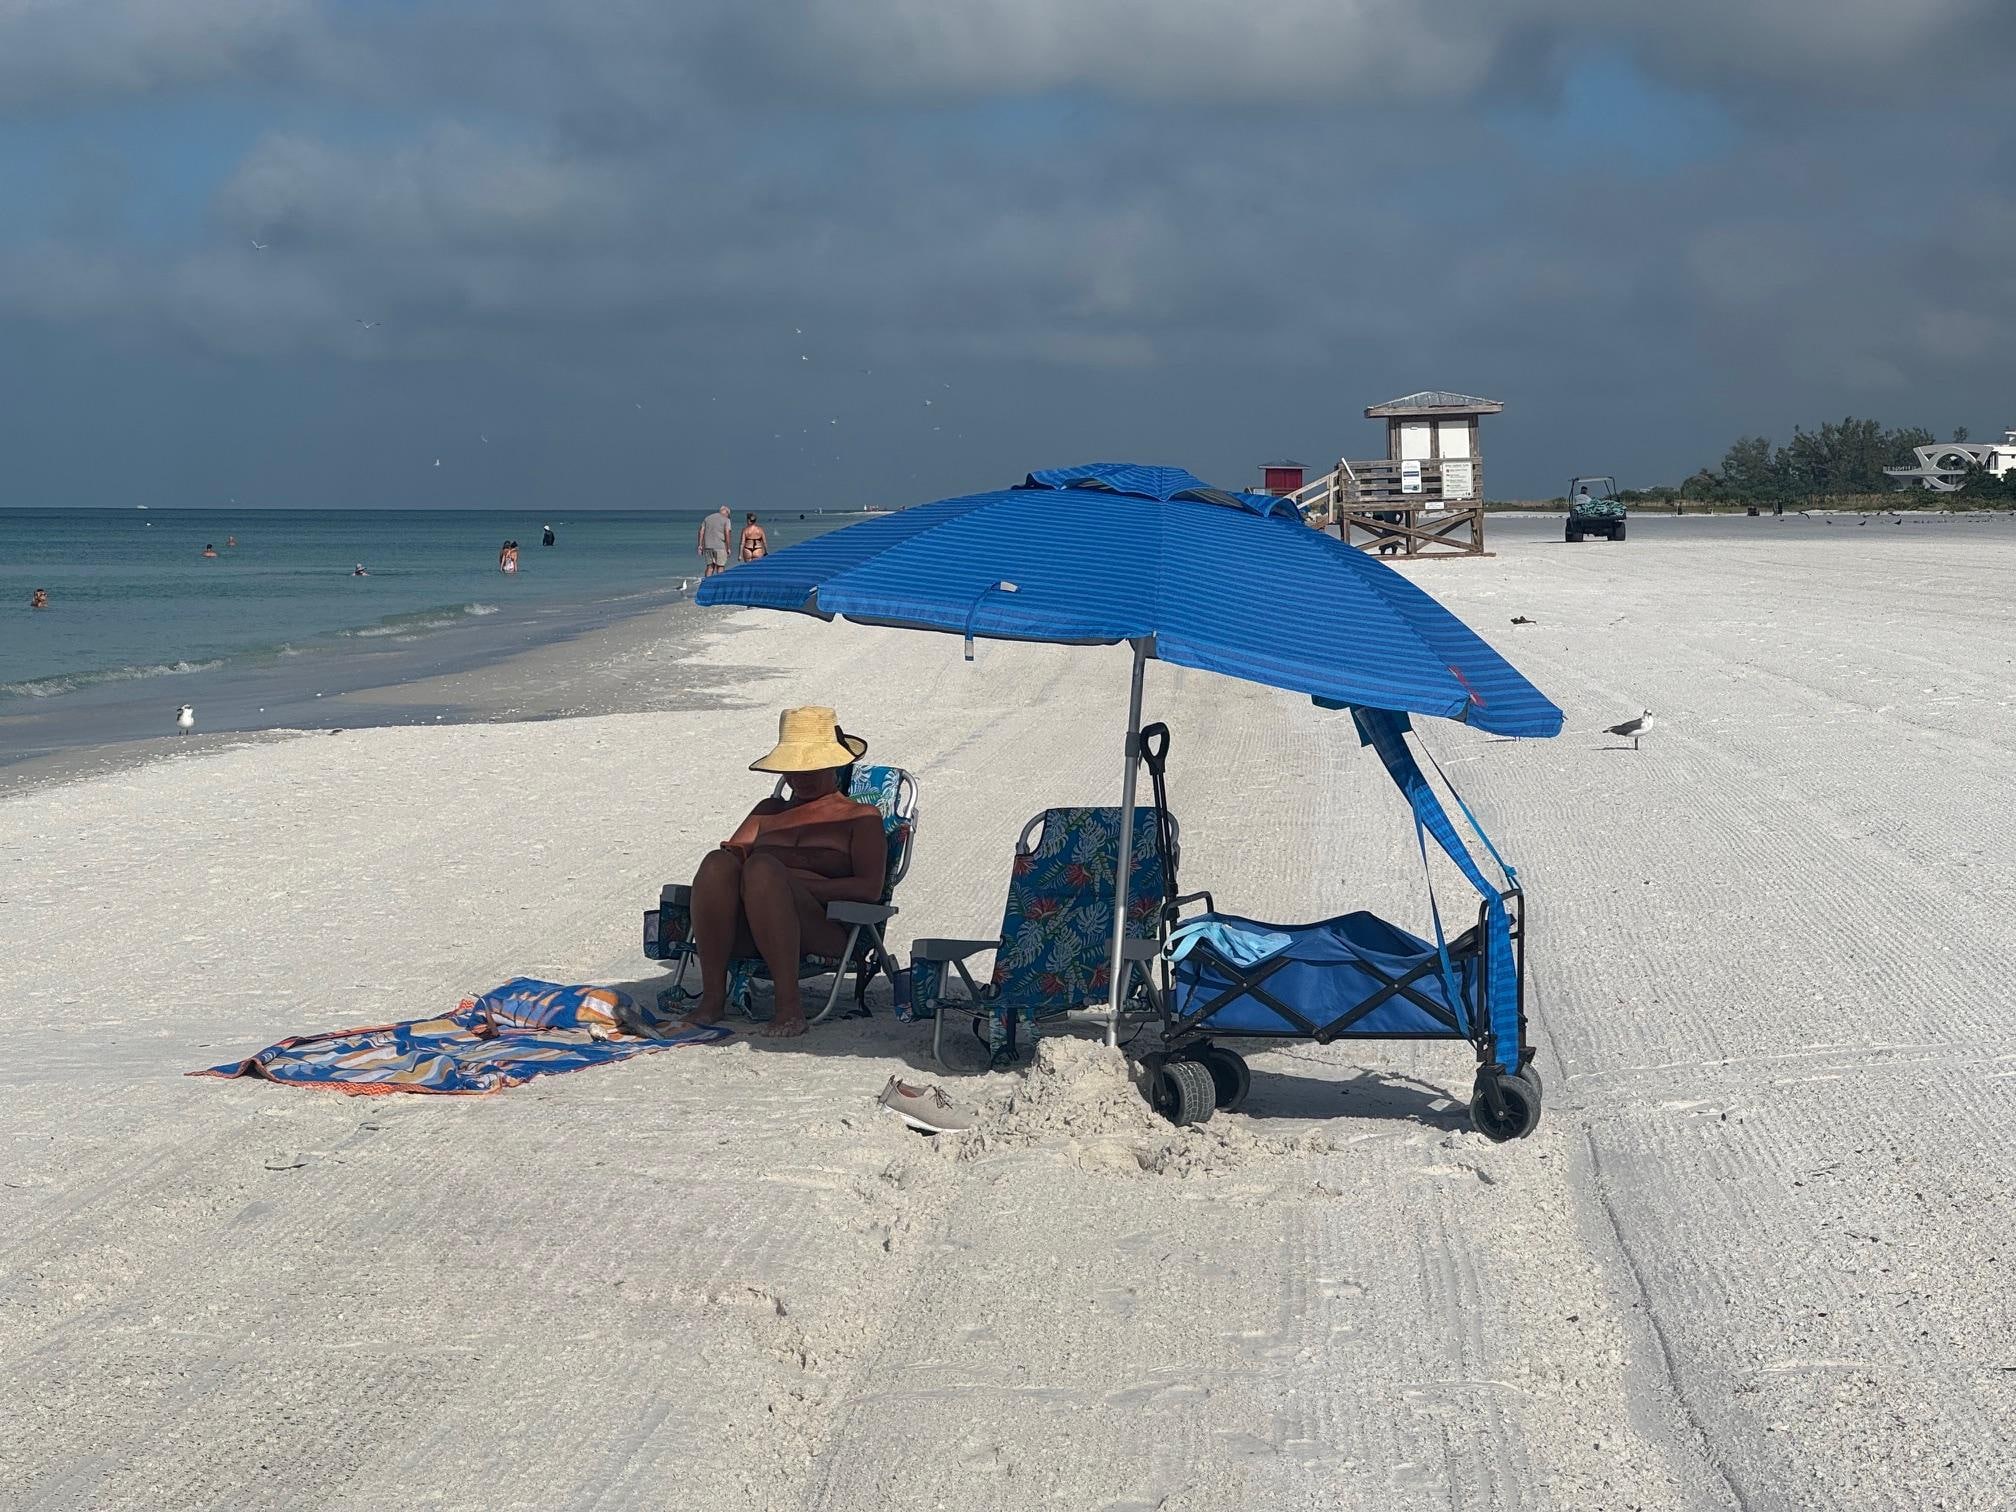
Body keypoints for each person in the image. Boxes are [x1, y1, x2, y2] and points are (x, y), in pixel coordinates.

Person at [682, 707, 885, 1039]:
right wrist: (773, 879)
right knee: (717, 863)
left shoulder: (860, 817)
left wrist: (795, 885)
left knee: (763, 868)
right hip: (754, 925)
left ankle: (789, 1007)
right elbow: (730, 858)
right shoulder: (768, 811)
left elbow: (869, 889)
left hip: (823, 926)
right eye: (792, 768)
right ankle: (712, 999)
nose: (800, 777)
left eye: (810, 768)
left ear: (835, 763)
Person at [697, 505, 732, 577]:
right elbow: (727, 533)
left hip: (708, 546)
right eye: (729, 515)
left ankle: (707, 583)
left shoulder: (707, 518)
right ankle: (719, 584)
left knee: (710, 567)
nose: (728, 516)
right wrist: (728, 547)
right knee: (720, 566)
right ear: (727, 513)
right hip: (720, 546)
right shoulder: (726, 520)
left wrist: (700, 545)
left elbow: (701, 531)